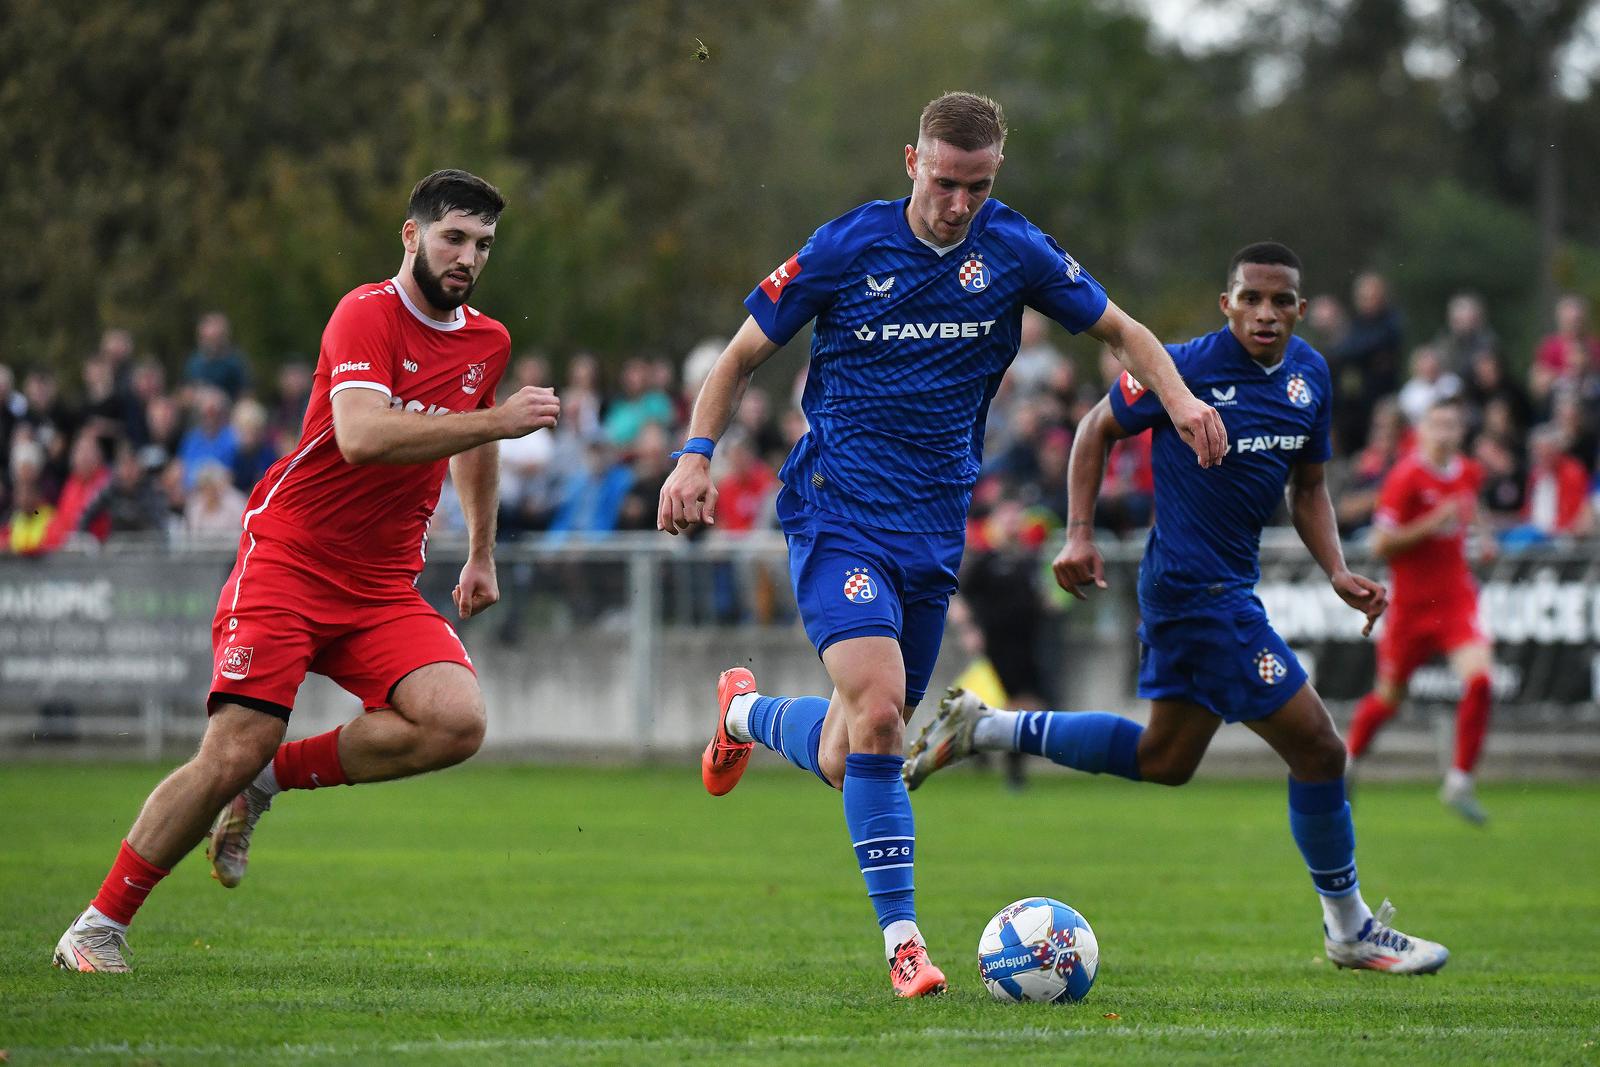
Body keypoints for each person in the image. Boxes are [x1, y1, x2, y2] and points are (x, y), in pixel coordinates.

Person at [657, 92, 1226, 998]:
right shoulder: (849, 244)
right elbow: (737, 358)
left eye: (980, 185)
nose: (960, 204)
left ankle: (742, 715)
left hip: (932, 529)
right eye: (947, 182)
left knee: (854, 753)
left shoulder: (1016, 249)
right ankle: (905, 946)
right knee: (883, 714)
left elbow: (1123, 332)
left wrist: (1184, 401)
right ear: (911, 162)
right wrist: (695, 456)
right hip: (837, 513)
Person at [52, 169, 560, 973]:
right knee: (230, 745)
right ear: (411, 235)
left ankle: (268, 784)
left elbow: (475, 440)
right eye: (453, 237)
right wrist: (497, 417)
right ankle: (96, 925)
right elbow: (361, 435)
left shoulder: (485, 341)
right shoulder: (366, 313)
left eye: (483, 245)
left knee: (455, 721)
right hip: (291, 556)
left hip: (380, 582)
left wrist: (483, 550)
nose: (467, 256)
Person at [904, 242, 1450, 974]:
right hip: (1197, 590)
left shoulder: (1310, 377)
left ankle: (987, 725)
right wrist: (1077, 532)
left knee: (1165, 757)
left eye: (1279, 300)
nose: (1264, 312)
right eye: (1249, 298)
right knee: (1320, 749)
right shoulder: (1183, 367)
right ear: (1227, 303)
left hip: (1223, 587)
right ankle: (1348, 926)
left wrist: (1338, 569)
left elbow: (1311, 486)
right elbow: (1095, 428)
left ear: (1301, 309)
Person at [1346, 398, 1494, 824]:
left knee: (1481, 680)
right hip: (1411, 606)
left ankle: (1460, 779)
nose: (1445, 432)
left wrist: (1483, 538)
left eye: (1453, 424)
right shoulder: (1406, 476)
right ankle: (1348, 761)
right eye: (1438, 424)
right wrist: (1431, 524)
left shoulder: (1466, 470)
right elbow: (1379, 543)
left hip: (1454, 599)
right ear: (1424, 430)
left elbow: (1470, 503)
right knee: (1388, 698)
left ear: (1461, 431)